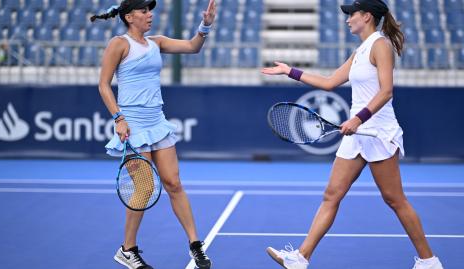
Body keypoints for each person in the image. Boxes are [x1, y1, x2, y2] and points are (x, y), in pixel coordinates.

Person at [261, 1, 444, 269]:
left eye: (351, 15)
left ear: (366, 16)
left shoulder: (381, 45)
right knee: (331, 195)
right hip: (357, 135)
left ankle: (429, 261)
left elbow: (386, 91)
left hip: (377, 132)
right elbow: (329, 82)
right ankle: (300, 258)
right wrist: (290, 71)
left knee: (394, 199)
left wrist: (358, 118)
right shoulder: (360, 50)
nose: (347, 20)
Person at [91, 0, 216, 268]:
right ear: (128, 16)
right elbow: (103, 85)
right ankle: (127, 249)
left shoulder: (156, 42)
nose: (150, 15)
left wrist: (205, 25)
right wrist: (118, 117)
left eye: (150, 10)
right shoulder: (119, 44)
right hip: (133, 125)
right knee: (145, 188)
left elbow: (193, 47)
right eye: (144, 11)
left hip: (157, 122)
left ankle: (196, 245)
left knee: (173, 183)